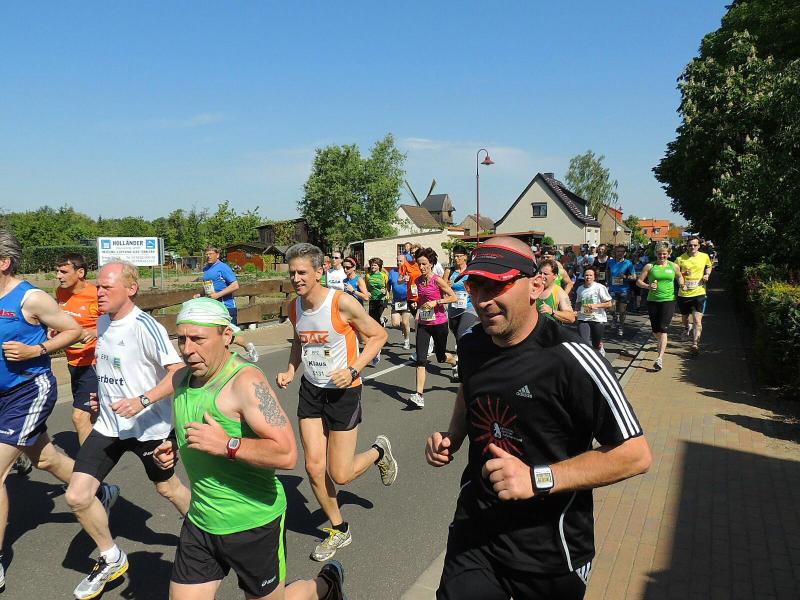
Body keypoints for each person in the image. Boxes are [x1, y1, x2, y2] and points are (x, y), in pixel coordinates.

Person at [425, 236, 651, 600]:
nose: (482, 300)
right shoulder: (471, 343)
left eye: (497, 286)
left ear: (535, 286)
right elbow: (469, 390)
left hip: (550, 549)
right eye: (476, 286)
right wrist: (453, 435)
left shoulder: (572, 357)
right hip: (476, 530)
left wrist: (536, 478)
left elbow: (635, 454)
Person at [153, 298, 346, 600]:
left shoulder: (245, 382)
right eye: (182, 339)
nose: (187, 349)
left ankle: (325, 585)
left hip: (253, 523)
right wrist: (174, 446)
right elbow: (193, 422)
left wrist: (226, 444)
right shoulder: (182, 378)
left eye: (198, 339)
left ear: (226, 336)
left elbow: (287, 454)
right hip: (201, 521)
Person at [0, 231, 118, 593]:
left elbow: (74, 330)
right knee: (46, 459)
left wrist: (36, 351)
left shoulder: (31, 298)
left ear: (3, 262)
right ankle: (100, 491)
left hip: (27, 392)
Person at [66, 261, 192, 600]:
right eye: (98, 286)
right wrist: (101, 396)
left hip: (150, 426)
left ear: (131, 289)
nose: (99, 292)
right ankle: (112, 558)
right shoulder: (103, 321)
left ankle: (209, 535)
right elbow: (114, 369)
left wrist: (142, 400)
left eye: (107, 287)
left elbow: (179, 372)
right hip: (109, 425)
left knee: (168, 488)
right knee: (77, 495)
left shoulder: (145, 326)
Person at [277, 243, 397, 562]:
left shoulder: (341, 302)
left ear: (320, 272)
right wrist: (290, 370)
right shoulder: (294, 307)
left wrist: (353, 369)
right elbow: (299, 341)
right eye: (292, 273)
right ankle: (339, 529)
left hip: (344, 392)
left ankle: (379, 451)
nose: (296, 278)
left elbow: (378, 336)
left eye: (302, 272)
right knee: (314, 468)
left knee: (340, 474)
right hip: (311, 390)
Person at [55, 252, 100, 444]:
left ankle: (87, 461)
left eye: (64, 271)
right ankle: (103, 450)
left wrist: (95, 331)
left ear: (80, 272)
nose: (58, 276)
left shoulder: (96, 294)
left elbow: (115, 322)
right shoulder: (60, 292)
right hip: (73, 361)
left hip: (94, 362)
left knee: (80, 416)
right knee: (92, 415)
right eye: (58, 271)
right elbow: (61, 319)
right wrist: (53, 329)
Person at [407, 248, 458, 409]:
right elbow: (421, 299)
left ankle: (454, 362)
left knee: (440, 357)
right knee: (421, 360)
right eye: (419, 264)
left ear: (431, 263)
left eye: (424, 264)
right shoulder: (417, 281)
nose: (421, 267)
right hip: (424, 324)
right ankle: (419, 395)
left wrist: (437, 302)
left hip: (439, 323)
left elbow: (453, 297)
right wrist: (417, 308)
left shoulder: (438, 280)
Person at [196, 246, 259, 362]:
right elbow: (208, 287)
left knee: (229, 335)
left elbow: (235, 285)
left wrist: (218, 295)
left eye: (211, 254)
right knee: (216, 334)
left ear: (217, 255)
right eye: (207, 254)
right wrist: (200, 295)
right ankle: (220, 360)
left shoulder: (223, 268)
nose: (208, 256)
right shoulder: (206, 269)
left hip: (227, 307)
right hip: (213, 308)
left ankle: (247, 347)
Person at [636, 242, 684, 371]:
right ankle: (661, 342)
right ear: (655, 254)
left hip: (669, 300)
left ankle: (659, 358)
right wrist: (648, 286)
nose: (662, 256)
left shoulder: (673, 266)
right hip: (653, 300)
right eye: (659, 254)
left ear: (669, 254)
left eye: (664, 254)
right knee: (655, 330)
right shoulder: (650, 266)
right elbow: (639, 282)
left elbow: (680, 277)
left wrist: (682, 285)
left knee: (663, 329)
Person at [675, 235, 713, 355]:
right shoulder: (680, 259)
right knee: (685, 318)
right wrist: (682, 280)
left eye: (695, 245)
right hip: (684, 294)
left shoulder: (704, 256)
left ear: (699, 246)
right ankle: (687, 327)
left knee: (697, 320)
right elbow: (676, 274)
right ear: (686, 246)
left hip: (699, 292)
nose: (692, 247)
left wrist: (707, 274)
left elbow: (709, 266)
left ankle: (695, 344)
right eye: (690, 245)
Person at [574, 267, 613, 355]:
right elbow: (578, 303)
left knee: (596, 343)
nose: (588, 277)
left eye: (590, 275)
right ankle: (589, 358)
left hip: (597, 319)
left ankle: (599, 346)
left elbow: (609, 304)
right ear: (583, 276)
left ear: (595, 277)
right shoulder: (580, 289)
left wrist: (595, 306)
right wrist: (576, 311)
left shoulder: (600, 287)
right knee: (584, 342)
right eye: (586, 275)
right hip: (583, 318)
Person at [445, 246, 479, 341]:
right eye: (454, 256)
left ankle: (465, 349)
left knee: (462, 332)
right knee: (456, 332)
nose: (456, 259)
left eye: (458, 256)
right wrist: (447, 286)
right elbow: (442, 289)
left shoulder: (471, 271)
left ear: (465, 257)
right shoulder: (449, 271)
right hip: (454, 307)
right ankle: (460, 348)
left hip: (469, 306)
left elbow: (478, 287)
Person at [607, 245, 637, 337]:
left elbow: (634, 277)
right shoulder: (610, 262)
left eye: (622, 251)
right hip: (612, 288)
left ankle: (621, 326)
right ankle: (614, 317)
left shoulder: (628, 263)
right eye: (618, 251)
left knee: (622, 310)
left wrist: (625, 276)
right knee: (610, 307)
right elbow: (607, 272)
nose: (620, 253)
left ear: (625, 253)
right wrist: (607, 283)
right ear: (615, 252)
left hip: (624, 290)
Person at [535, 259, 576, 325]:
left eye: (545, 274)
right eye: (540, 273)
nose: (542, 276)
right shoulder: (532, 288)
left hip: (550, 330)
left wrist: (552, 312)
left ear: (555, 276)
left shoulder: (559, 292)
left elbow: (571, 317)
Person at [388, 255, 412, 349]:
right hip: (396, 301)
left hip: (406, 300)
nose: (399, 263)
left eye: (401, 261)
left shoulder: (409, 272)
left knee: (405, 322)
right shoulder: (392, 272)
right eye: (397, 261)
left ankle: (406, 341)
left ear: (406, 261)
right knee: (395, 324)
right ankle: (404, 329)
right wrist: (387, 292)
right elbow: (389, 283)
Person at [366, 257, 388, 327]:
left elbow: (387, 287)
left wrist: (385, 291)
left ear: (379, 266)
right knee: (372, 319)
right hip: (373, 299)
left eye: (375, 265)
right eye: (372, 265)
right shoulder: (368, 275)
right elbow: (366, 287)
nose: (373, 266)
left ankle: (382, 321)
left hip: (382, 299)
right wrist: (367, 292)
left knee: (379, 319)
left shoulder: (383, 275)